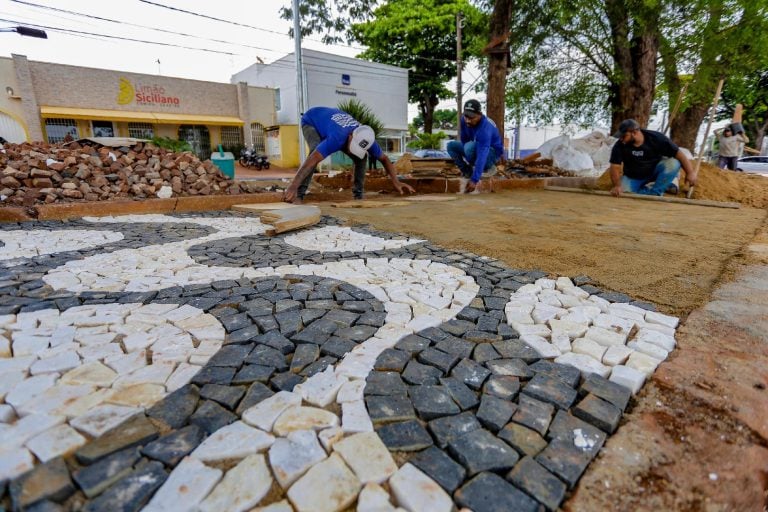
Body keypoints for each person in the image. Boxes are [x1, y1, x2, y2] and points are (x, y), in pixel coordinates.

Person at [282, 106, 414, 203]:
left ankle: (358, 195)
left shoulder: (367, 139)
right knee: (315, 151)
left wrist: (396, 182)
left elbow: (385, 160)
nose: (351, 151)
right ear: (351, 136)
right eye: (352, 147)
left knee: (362, 158)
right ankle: (299, 195)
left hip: (331, 122)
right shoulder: (337, 137)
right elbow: (312, 160)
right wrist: (293, 186)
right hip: (312, 119)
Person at [609, 119, 697, 197]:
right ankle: (650, 188)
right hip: (633, 177)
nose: (621, 139)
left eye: (624, 136)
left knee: (674, 163)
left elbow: (679, 154)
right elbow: (615, 167)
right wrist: (617, 186)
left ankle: (656, 192)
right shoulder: (620, 145)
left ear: (634, 133)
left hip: (654, 172)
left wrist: (690, 173)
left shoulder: (656, 138)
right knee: (624, 194)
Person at [447, 99, 505, 194]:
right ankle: (467, 171)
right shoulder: (464, 120)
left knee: (469, 147)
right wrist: (470, 163)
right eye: (466, 116)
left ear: (479, 115)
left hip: (491, 154)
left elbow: (482, 153)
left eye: (471, 117)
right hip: (476, 148)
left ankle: (488, 167)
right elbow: (464, 140)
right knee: (451, 146)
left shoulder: (485, 128)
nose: (468, 120)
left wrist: (474, 180)